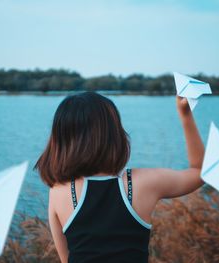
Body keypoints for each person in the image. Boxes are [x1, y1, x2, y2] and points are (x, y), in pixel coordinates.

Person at [35, 91, 204, 263]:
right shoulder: (142, 183)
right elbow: (200, 172)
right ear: (113, 136)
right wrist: (185, 115)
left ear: (61, 141)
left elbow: (67, 260)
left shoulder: (59, 191)